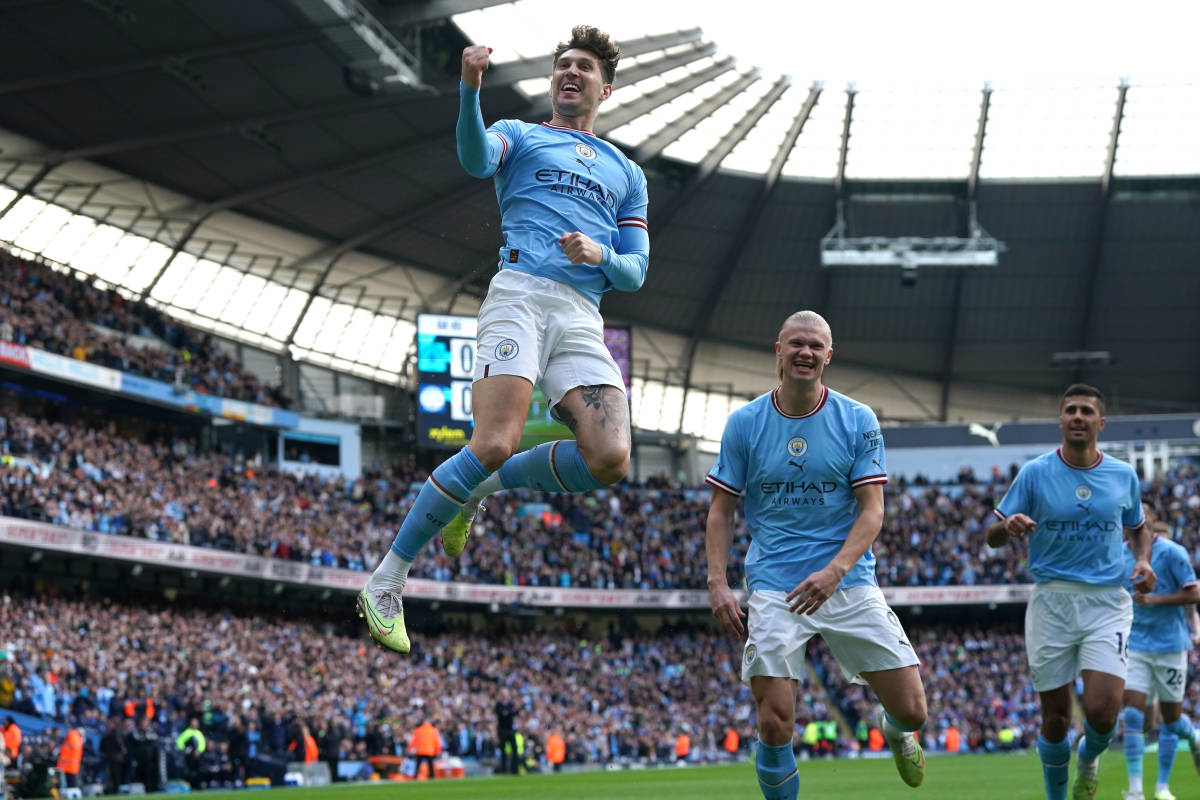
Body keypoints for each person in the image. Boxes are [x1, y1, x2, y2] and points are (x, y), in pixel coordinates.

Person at [358, 23, 649, 654]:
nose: (571, 73)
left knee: (611, 459)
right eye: (564, 65)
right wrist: (470, 90)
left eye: (585, 67)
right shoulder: (519, 134)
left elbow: (636, 269)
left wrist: (600, 251)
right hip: (519, 293)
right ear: (553, 80)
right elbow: (472, 160)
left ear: (605, 85)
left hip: (582, 314)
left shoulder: (627, 172)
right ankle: (387, 580)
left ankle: (477, 493)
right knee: (492, 444)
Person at [706, 310, 927, 800]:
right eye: (796, 343)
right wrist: (717, 583)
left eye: (815, 345)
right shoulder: (745, 423)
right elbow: (720, 509)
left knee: (914, 709)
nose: (805, 352)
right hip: (773, 585)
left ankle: (896, 731)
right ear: (778, 350)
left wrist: (834, 571)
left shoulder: (857, 419)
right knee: (775, 721)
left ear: (829, 355)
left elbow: (872, 512)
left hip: (846, 582)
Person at [986, 383, 1155, 800]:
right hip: (1052, 602)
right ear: (1061, 419)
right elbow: (990, 535)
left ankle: (1090, 758)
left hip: (1106, 602)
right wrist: (1006, 528)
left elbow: (1138, 528)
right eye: (1070, 410)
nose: (1077, 417)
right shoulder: (1035, 473)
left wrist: (1144, 560)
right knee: (1057, 718)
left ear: (1100, 422)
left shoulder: (1122, 475)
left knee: (1102, 714)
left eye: (1085, 411)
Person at [1121, 505, 1200, 800]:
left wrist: (1154, 600)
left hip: (1169, 645)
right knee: (1132, 715)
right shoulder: (1118, 553)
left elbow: (1194, 593)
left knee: (1171, 720)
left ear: (1151, 522)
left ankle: (1192, 736)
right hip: (1135, 644)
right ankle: (1135, 791)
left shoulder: (1174, 553)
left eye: (1140, 518)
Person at [56, 726, 83, 792]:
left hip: (68, 765)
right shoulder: (74, 737)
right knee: (71, 783)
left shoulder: (72, 737)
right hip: (70, 765)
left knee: (70, 783)